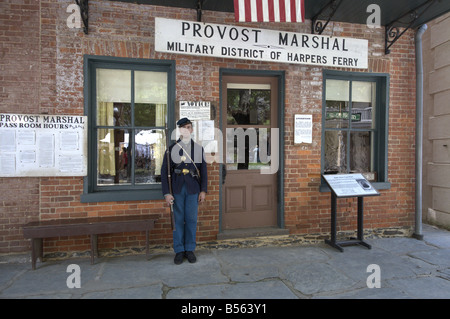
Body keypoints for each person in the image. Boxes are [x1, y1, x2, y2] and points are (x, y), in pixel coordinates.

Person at [161, 117, 207, 264]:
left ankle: (190, 249)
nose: (187, 130)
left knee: (192, 220)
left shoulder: (198, 149)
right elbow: (164, 172)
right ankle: (179, 250)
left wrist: (203, 191)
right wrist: (167, 193)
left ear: (191, 130)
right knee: (178, 220)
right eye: (184, 128)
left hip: (193, 188)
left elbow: (204, 172)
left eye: (189, 127)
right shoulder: (171, 149)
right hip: (177, 188)